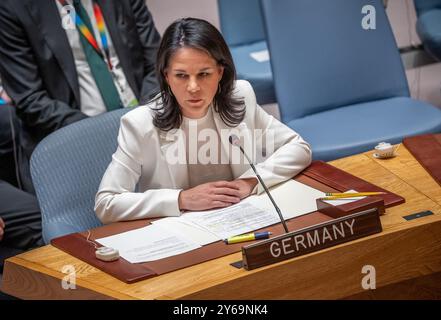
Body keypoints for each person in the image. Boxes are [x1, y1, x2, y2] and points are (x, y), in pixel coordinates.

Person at [94, 18, 312, 224]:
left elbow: (298, 147)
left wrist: (251, 182)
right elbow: (106, 203)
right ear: (166, 76)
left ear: (219, 72)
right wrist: (181, 199)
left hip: (244, 218)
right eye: (181, 75)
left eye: (204, 74)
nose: (193, 87)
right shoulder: (140, 124)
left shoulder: (240, 96)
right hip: (182, 232)